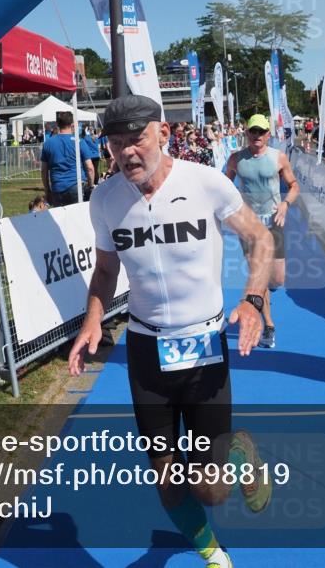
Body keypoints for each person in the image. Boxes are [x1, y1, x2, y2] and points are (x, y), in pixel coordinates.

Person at [69, 95, 274, 568]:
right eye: (115, 144)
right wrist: (92, 320)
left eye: (136, 140)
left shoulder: (206, 183)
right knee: (165, 479)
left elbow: (258, 237)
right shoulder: (105, 199)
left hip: (204, 345)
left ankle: (239, 452)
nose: (126, 153)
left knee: (212, 490)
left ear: (163, 133)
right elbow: (105, 271)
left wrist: (254, 299)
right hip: (145, 350)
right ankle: (212, 553)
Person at [225, 114, 300, 350]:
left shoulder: (278, 157)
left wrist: (285, 205)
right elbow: (226, 186)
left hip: (274, 221)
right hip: (249, 225)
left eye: (261, 131)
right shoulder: (236, 159)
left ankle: (259, 297)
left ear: (268, 134)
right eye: (252, 131)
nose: (257, 136)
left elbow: (294, 186)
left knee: (277, 278)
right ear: (246, 133)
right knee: (259, 275)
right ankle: (268, 323)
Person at [40, 111, 94, 206]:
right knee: (78, 218)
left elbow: (43, 170)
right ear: (72, 125)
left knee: (60, 219)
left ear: (57, 124)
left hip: (57, 187)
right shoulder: (79, 142)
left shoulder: (48, 143)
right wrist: (90, 186)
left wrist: (47, 190)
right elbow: (90, 167)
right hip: (76, 186)